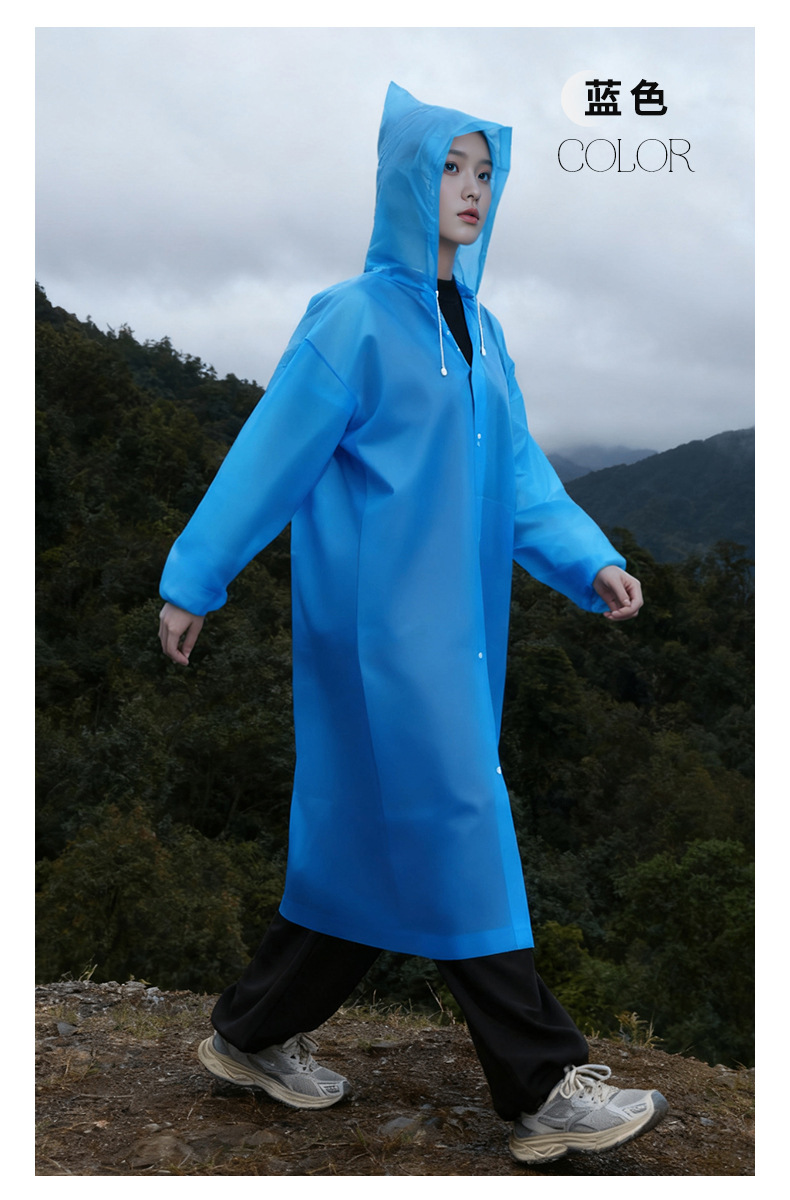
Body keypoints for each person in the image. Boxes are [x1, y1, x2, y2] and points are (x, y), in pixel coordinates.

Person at [158, 82, 667, 1165]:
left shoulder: (482, 330)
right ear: (405, 179)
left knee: (365, 840)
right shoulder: (349, 319)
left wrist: (590, 559)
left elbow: (518, 475)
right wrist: (194, 578)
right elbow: (269, 455)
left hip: (456, 635)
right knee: (460, 817)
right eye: (450, 168)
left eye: (485, 172)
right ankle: (540, 1088)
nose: (472, 189)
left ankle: (251, 1035)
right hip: (378, 636)